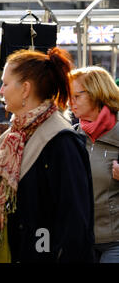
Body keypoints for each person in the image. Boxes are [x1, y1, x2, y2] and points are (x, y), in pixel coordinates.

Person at [0, 47, 94, 263]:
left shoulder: (60, 140)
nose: (1, 91)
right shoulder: (16, 137)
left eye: (6, 83)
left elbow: (75, 224)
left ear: (25, 89)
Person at [69, 66, 119, 263]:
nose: (70, 102)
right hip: (80, 240)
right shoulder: (71, 138)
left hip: (115, 241)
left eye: (76, 96)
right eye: (69, 96)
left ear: (97, 94)